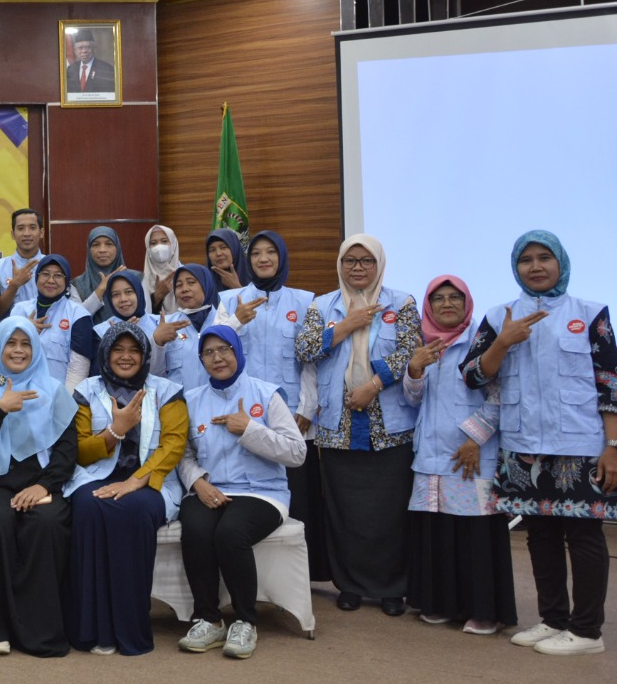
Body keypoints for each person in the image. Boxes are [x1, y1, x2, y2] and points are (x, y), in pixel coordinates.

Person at [463, 231, 616, 656]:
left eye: (544, 257)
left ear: (560, 262)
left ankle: (587, 632)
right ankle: (553, 620)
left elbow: (610, 383)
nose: (535, 266)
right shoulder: (499, 315)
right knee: (540, 535)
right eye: (525, 259)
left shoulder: (591, 313)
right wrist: (502, 342)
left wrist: (613, 445)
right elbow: (473, 376)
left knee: (584, 536)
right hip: (523, 444)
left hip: (580, 444)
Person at [295, 235, 420, 616]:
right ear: (340, 264)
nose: (358, 268)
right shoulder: (322, 305)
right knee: (345, 512)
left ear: (379, 264)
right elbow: (304, 349)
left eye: (367, 261)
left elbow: (410, 351)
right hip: (338, 424)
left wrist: (373, 385)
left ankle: (392, 588)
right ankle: (349, 584)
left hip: (390, 424)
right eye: (350, 261)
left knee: (390, 513)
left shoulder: (402, 303)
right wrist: (345, 326)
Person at [175, 326, 307, 659]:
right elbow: (183, 455)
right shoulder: (191, 400)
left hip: (262, 492)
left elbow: (297, 453)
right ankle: (209, 620)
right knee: (196, 529)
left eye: (224, 349)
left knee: (231, 533)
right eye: (208, 352)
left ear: (237, 351)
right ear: (201, 360)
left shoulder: (267, 395)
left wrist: (250, 429)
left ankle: (245, 621)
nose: (217, 358)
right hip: (209, 489)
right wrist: (198, 482)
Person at [64, 322, 189, 656]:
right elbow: (78, 450)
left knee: (132, 510)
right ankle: (92, 631)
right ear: (105, 353)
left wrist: (137, 479)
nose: (126, 356)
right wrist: (114, 432)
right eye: (117, 349)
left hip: (151, 482)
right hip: (95, 476)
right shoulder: (87, 390)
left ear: (145, 355)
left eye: (134, 350)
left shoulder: (167, 391)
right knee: (88, 506)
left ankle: (130, 630)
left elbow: (174, 445)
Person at [402, 276, 515, 635]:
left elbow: (501, 395)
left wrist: (475, 439)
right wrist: (414, 369)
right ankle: (440, 603)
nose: (447, 304)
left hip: (471, 454)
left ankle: (484, 611)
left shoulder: (482, 343)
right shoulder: (422, 344)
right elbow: (413, 401)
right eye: (438, 298)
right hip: (431, 455)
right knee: (437, 531)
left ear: (467, 304)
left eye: (455, 298)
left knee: (474, 534)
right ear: (429, 306)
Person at [0, 316, 78, 657]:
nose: (18, 350)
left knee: (48, 523)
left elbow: (67, 450)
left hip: (40, 481)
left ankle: (39, 632)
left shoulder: (53, 390)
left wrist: (44, 487)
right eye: (10, 343)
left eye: (26, 343)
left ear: (36, 349)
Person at [220, 231, 326, 581]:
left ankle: (298, 579)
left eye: (270, 252)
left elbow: (310, 361)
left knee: (298, 499)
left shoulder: (305, 301)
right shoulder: (230, 299)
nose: (263, 259)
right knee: (246, 498)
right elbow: (212, 348)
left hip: (291, 415)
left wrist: (307, 408)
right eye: (256, 254)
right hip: (241, 414)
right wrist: (236, 320)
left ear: (281, 257)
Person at [153, 264, 238, 391]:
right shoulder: (165, 325)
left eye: (191, 282)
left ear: (206, 285)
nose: (184, 289)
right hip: (179, 401)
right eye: (178, 285)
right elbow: (154, 373)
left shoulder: (225, 321)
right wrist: (157, 343)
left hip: (218, 399)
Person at [13, 255, 92, 383]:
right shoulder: (19, 310)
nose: (51, 280)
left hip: (57, 393)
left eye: (58, 275)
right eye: (45, 274)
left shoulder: (78, 315)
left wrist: (67, 396)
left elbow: (78, 368)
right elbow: (4, 352)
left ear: (66, 280)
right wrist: (24, 329)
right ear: (37, 277)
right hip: (20, 389)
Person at [0, 207, 48, 318]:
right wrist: (14, 286)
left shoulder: (52, 265)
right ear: (13, 234)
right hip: (10, 328)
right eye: (20, 228)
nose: (26, 233)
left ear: (41, 233)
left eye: (32, 228)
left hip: (46, 326)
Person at [69, 226, 126, 315]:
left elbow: (144, 316)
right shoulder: (76, 285)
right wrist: (101, 288)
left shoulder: (137, 279)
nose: (102, 250)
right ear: (89, 250)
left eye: (109, 244)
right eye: (96, 245)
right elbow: (76, 317)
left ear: (117, 248)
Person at [142, 224, 183, 315]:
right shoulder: (142, 280)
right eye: (153, 243)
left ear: (173, 245)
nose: (159, 247)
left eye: (164, 241)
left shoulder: (187, 274)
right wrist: (157, 295)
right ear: (148, 249)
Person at [64, 29, 115, 93]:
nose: (84, 51)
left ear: (94, 49)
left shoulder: (106, 69)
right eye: (80, 48)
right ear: (75, 51)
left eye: (88, 47)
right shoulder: (71, 69)